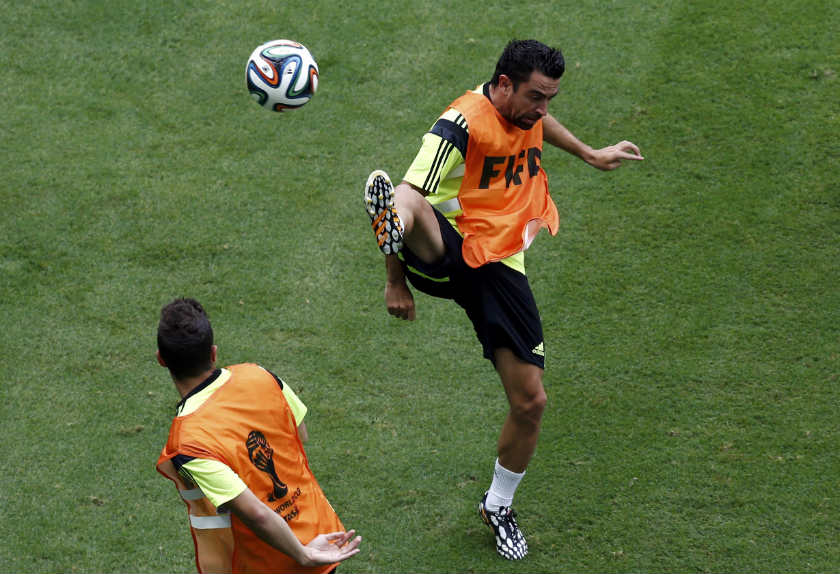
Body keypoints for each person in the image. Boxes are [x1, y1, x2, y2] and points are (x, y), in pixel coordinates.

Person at [363, 39, 642, 560]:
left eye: (550, 98)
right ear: (504, 84)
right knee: (408, 199)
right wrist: (394, 283)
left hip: (499, 266)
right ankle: (393, 229)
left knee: (531, 401)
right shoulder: (459, 124)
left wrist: (589, 152)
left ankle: (498, 505)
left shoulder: (526, 112)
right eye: (537, 96)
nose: (543, 109)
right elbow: (413, 185)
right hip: (446, 249)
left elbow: (538, 126)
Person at [155, 298, 361, 573]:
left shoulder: (188, 442)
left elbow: (254, 513)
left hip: (277, 562)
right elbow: (300, 434)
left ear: (161, 359)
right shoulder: (260, 375)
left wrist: (303, 555)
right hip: (323, 538)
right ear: (213, 353)